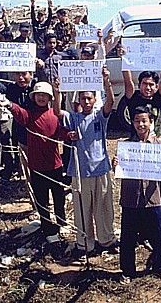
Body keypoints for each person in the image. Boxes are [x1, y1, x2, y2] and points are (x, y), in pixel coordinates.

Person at [0, 82, 77, 243]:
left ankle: (62, 222)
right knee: (41, 199)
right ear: (33, 97)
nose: (41, 98)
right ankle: (46, 226)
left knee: (58, 197)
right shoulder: (30, 115)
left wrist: (69, 135)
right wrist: (9, 104)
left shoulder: (55, 115)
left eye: (44, 95)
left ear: (49, 98)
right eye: (38, 95)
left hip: (55, 165)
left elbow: (61, 132)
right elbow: (19, 112)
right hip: (36, 167)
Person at [52, 64, 118, 257]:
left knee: (104, 208)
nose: (87, 101)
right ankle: (84, 244)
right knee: (82, 211)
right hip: (80, 172)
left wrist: (106, 82)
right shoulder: (73, 117)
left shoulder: (100, 116)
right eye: (83, 98)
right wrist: (57, 92)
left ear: (94, 99)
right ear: (78, 100)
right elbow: (57, 112)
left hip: (101, 169)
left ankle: (107, 240)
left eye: (90, 98)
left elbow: (111, 102)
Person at [120, 46, 161, 247]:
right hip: (136, 150)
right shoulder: (133, 98)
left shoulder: (158, 98)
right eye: (144, 84)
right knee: (139, 192)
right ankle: (142, 232)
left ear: (155, 87)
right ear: (139, 85)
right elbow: (127, 81)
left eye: (151, 85)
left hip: (157, 149)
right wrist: (124, 59)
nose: (148, 87)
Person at [113, 105, 161, 285]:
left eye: (144, 121)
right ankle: (127, 271)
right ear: (132, 122)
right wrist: (116, 163)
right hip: (131, 198)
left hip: (153, 198)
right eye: (137, 121)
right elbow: (120, 171)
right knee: (128, 237)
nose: (141, 124)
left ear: (151, 122)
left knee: (159, 235)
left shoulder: (159, 146)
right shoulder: (126, 146)